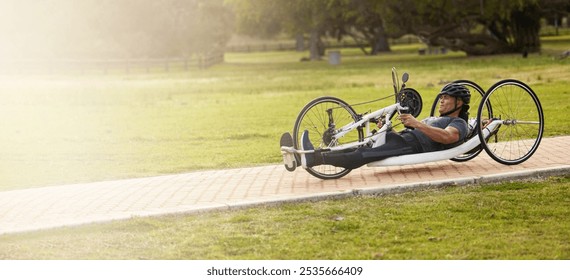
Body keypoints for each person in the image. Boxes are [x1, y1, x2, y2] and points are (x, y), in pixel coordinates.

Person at [299, 83, 471, 170]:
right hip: (402, 139)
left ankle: (315, 159)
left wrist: (416, 123)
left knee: (363, 154)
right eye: (441, 98)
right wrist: (388, 129)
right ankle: (303, 157)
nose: (441, 101)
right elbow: (412, 131)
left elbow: (448, 137)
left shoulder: (458, 123)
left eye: (446, 98)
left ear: (459, 103)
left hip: (411, 146)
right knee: (357, 146)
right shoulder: (434, 118)